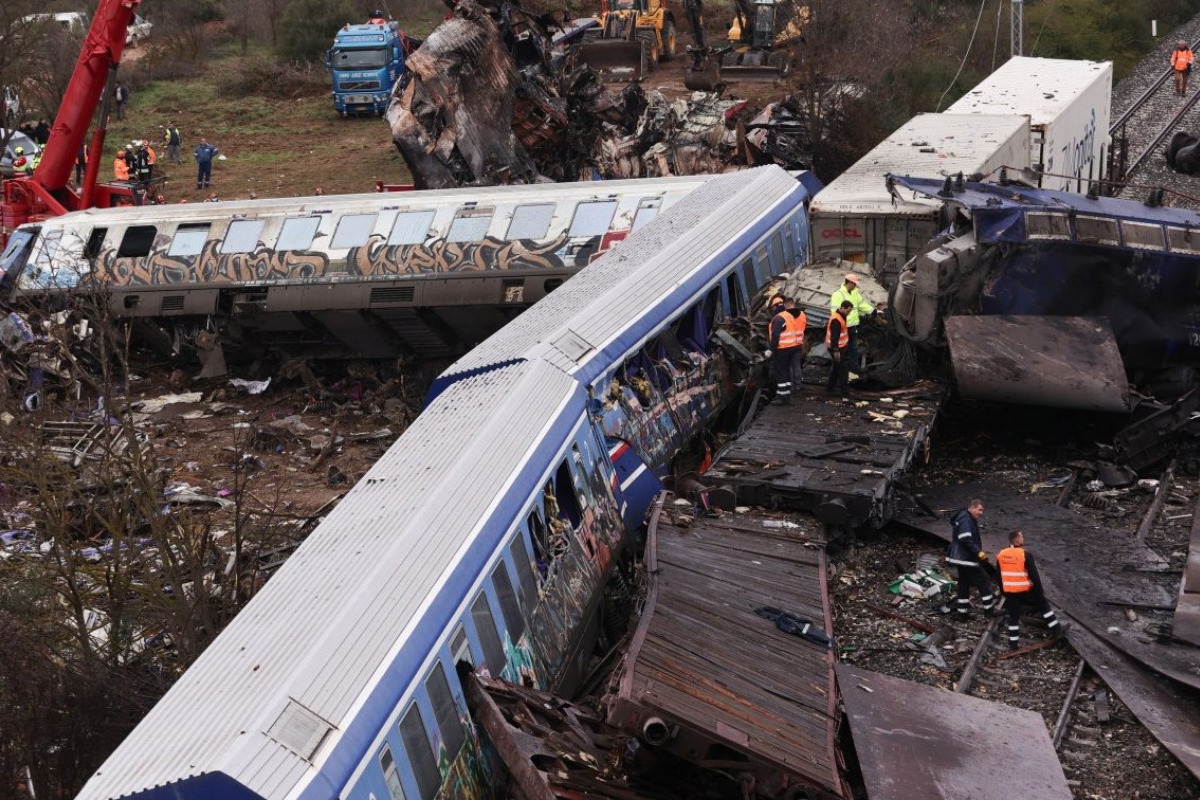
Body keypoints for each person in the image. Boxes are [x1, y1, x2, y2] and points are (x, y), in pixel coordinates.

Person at [996, 530, 1068, 649]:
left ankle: (1013, 644)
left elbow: (1000, 576)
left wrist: (1004, 592)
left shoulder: (1001, 554)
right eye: (1022, 537)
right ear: (1018, 540)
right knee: (1043, 604)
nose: (1023, 539)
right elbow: (1034, 576)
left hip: (1009, 592)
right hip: (1024, 591)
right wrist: (1040, 592)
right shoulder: (1025, 554)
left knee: (1013, 617)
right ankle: (1056, 629)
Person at [940, 499, 999, 619]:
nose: (981, 513)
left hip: (961, 558)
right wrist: (979, 552)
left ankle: (962, 612)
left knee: (964, 583)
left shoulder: (964, 517)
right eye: (979, 509)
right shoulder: (966, 519)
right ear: (972, 507)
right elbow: (965, 538)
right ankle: (989, 610)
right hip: (966, 558)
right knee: (984, 580)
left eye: (982, 510)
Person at [829, 273, 878, 378]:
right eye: (854, 284)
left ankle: (854, 373)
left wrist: (872, 310)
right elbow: (835, 313)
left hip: (852, 328)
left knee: (853, 350)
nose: (855, 286)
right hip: (843, 328)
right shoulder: (838, 294)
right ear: (849, 283)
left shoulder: (855, 293)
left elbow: (862, 305)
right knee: (842, 353)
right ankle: (839, 375)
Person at [765, 293, 806, 404]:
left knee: (781, 372)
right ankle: (786, 394)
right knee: (788, 371)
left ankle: (783, 397)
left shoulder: (778, 318)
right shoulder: (789, 316)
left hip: (782, 349)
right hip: (793, 346)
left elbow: (775, 336)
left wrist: (770, 350)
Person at [825, 300, 852, 396]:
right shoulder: (837, 320)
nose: (849, 314)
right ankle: (844, 391)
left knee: (837, 368)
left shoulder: (841, 316)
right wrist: (836, 351)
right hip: (836, 348)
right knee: (843, 369)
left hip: (840, 347)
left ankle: (830, 388)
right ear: (842, 308)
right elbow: (834, 338)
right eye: (848, 311)